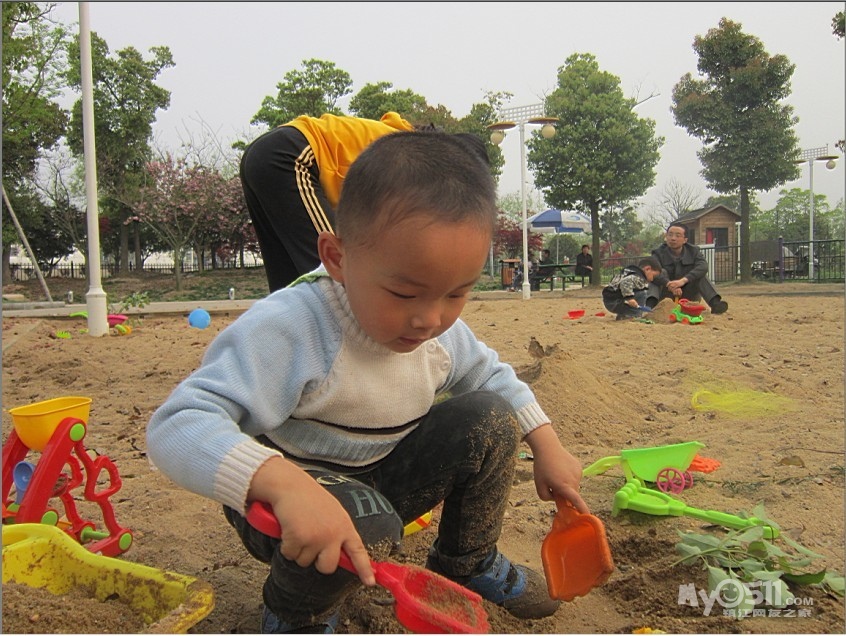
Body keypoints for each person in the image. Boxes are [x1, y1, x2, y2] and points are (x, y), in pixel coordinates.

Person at [147, 131, 587, 633]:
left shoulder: (441, 334)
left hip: (380, 477)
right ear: (337, 258)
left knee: (490, 417)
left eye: (455, 294)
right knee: (369, 521)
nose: (430, 319)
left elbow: (491, 376)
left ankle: (468, 561)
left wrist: (546, 443)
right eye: (404, 293)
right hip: (283, 503)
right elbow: (178, 422)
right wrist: (282, 484)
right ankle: (297, 614)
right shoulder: (294, 327)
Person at [239, 112, 415, 293]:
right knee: (341, 274)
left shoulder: (392, 136)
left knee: (290, 285)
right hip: (291, 156)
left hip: (261, 154)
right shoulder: (417, 159)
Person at [645, 222, 728, 314]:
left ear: (685, 240)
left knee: (700, 274)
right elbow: (651, 271)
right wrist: (669, 284)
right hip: (666, 295)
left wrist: (683, 281)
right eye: (670, 235)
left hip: (688, 294)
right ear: (666, 237)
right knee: (657, 273)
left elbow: (703, 266)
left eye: (677, 235)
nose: (673, 238)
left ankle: (715, 304)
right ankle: (650, 306)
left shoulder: (694, 251)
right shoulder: (657, 253)